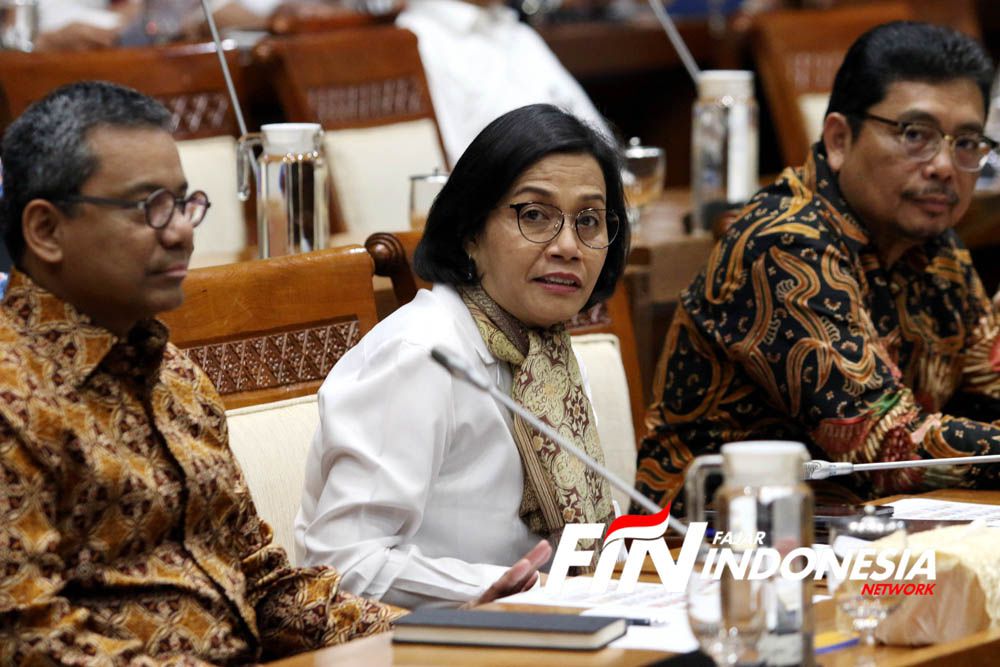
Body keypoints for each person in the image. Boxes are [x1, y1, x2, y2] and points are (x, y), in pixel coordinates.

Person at [0, 81, 402, 664]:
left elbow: (264, 587)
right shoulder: (14, 395)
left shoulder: (174, 375)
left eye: (185, 202)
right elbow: (26, 639)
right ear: (45, 230)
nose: (183, 230)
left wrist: (433, 633)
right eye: (148, 207)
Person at [634, 21, 1000, 513]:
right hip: (711, 549)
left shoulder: (935, 245)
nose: (943, 165)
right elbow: (885, 443)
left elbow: (988, 380)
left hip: (859, 537)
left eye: (967, 143)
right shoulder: (783, 243)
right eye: (916, 135)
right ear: (839, 138)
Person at [295, 103, 630, 608]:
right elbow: (341, 564)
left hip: (551, 628)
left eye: (589, 220)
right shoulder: (422, 356)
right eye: (535, 215)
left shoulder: (547, 354)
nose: (568, 245)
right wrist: (499, 591)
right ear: (471, 232)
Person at [396, 0, 612, 165]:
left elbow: (604, 148)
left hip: (581, 202)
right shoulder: (413, 42)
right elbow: (453, 181)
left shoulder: (519, 34)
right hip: (515, 214)